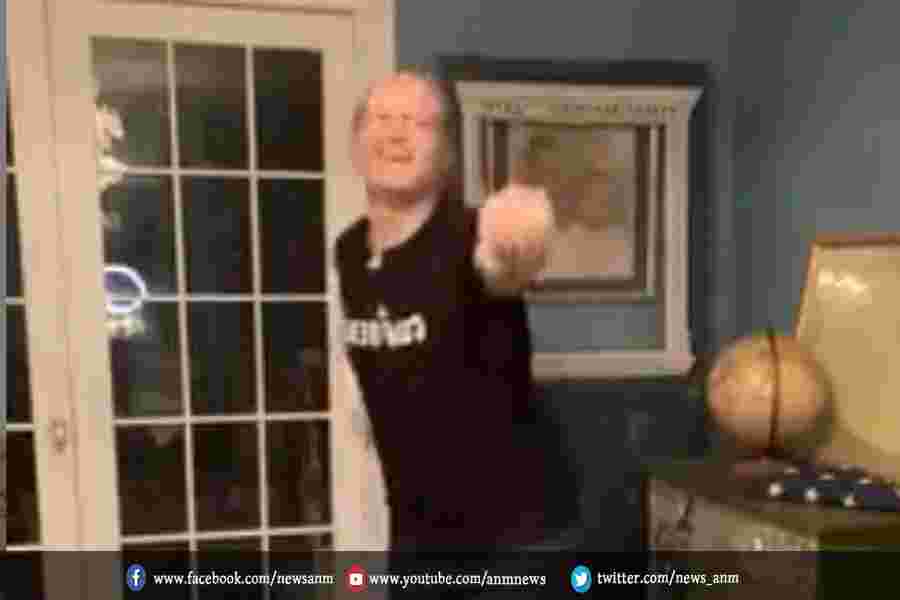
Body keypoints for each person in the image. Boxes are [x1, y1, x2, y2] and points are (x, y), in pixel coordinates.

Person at [334, 71, 582, 596]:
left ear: (446, 154)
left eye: (417, 122)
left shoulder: (471, 236)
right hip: (417, 534)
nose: (396, 133)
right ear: (355, 143)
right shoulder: (350, 251)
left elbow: (511, 253)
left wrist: (520, 231)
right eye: (382, 118)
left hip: (512, 542)